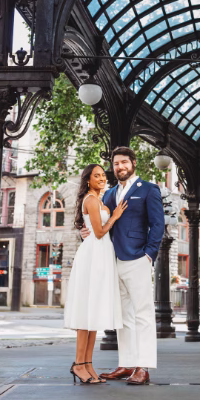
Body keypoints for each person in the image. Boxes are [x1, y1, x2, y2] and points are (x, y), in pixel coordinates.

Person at [79, 147, 164, 386]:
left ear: (133, 163)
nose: (120, 167)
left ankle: (143, 367)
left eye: (124, 162)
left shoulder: (148, 189)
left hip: (138, 258)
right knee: (123, 315)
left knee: (143, 314)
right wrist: (84, 232)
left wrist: (149, 255)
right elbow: (98, 223)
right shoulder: (108, 193)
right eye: (116, 164)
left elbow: (158, 224)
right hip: (112, 259)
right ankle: (127, 363)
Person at [63, 164, 127, 384]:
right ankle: (79, 364)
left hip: (101, 255)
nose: (101, 178)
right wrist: (115, 216)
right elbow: (99, 232)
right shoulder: (90, 200)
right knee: (85, 312)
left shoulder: (99, 200)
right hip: (93, 254)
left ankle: (88, 363)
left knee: (92, 313)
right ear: (88, 180)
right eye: (96, 175)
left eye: (102, 175)